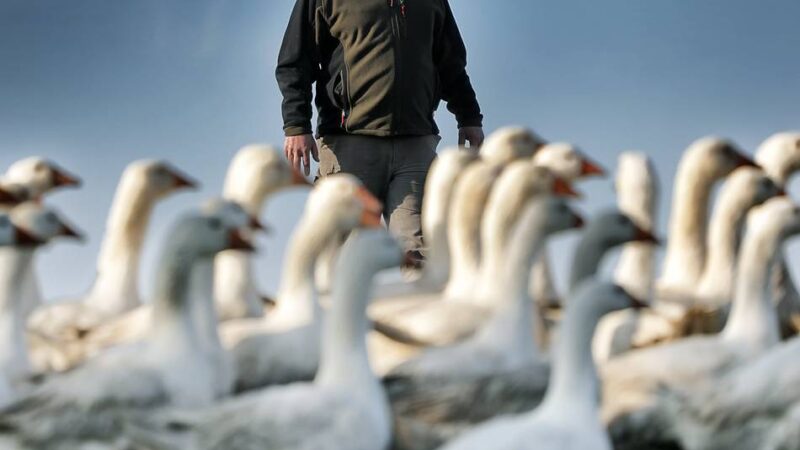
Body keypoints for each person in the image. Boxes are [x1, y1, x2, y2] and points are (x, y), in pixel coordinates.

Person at [276, 0, 483, 255]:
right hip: (349, 145)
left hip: (415, 146)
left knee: (421, 255)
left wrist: (469, 116)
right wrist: (296, 125)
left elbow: (450, 61)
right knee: (338, 256)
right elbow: (295, 62)